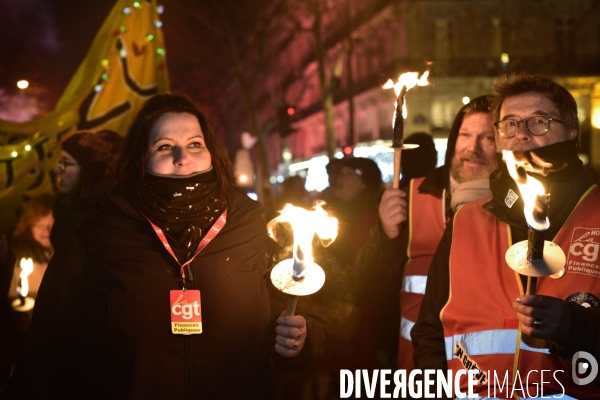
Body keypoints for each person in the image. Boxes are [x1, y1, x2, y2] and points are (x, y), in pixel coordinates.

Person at [21, 93, 325, 400]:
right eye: (164, 146)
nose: (183, 157)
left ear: (212, 152)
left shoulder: (256, 228)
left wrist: (300, 339)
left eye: (195, 144)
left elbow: (312, 315)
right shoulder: (96, 236)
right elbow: (50, 350)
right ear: (141, 156)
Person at [412, 74, 600, 398]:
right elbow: (430, 331)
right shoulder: (465, 221)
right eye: (510, 124)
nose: (521, 135)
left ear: (572, 132)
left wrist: (573, 326)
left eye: (538, 122)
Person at [356, 95, 498, 372]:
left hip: (489, 374)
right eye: (465, 134)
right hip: (417, 371)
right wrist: (384, 237)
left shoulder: (520, 208)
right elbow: (368, 288)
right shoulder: (413, 197)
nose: (473, 147)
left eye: (488, 138)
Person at [50, 129, 123, 251]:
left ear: (89, 170)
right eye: (59, 163)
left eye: (65, 163)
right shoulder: (66, 212)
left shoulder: (109, 220)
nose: (56, 170)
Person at [8, 193, 55, 301]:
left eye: (51, 225)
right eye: (39, 225)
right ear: (29, 226)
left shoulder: (68, 249)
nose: (46, 231)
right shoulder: (20, 258)